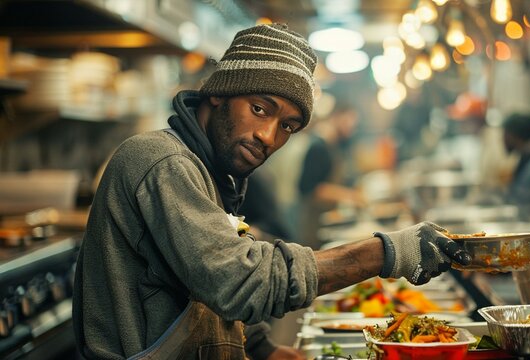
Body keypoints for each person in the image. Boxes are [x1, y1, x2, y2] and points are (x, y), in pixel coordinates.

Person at [72, 23, 471, 360]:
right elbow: (238, 283)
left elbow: (196, 280)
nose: (267, 136)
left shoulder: (209, 173)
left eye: (288, 126)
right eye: (260, 109)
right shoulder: (162, 161)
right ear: (219, 92)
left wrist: (262, 347)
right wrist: (386, 251)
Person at [296, 100, 365, 249]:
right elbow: (309, 189)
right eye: (349, 120)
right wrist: (350, 195)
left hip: (330, 222)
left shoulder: (336, 145)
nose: (352, 126)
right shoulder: (318, 147)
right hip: (316, 227)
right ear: (336, 116)